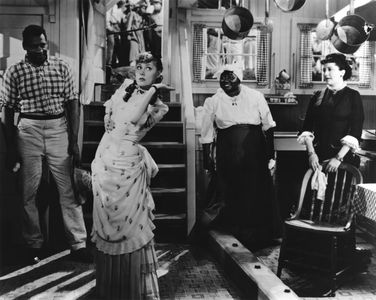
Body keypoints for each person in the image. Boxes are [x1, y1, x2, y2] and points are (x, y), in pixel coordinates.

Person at [0, 25, 92, 264]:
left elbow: (73, 103)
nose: (41, 49)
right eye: (34, 46)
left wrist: (73, 141)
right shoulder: (14, 72)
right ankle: (33, 243)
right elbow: (8, 109)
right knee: (27, 192)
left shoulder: (62, 67)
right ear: (25, 47)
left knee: (68, 189)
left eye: (43, 44)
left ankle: (78, 243)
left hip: (57, 128)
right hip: (28, 129)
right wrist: (11, 146)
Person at [91, 52, 172, 299]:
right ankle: (110, 288)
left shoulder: (158, 105)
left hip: (127, 164)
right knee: (107, 220)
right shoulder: (125, 87)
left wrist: (154, 89)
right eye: (140, 66)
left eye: (149, 68)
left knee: (129, 225)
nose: (142, 71)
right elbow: (111, 109)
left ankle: (131, 289)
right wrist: (106, 118)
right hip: (105, 160)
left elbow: (135, 116)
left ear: (158, 73)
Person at [199, 64, 281, 249]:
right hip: (227, 149)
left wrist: (270, 156)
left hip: (254, 148)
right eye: (223, 77)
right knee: (231, 189)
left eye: (231, 77)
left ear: (240, 78)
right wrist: (207, 160)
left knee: (254, 189)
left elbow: (268, 126)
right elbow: (206, 133)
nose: (226, 81)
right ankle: (233, 234)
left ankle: (256, 236)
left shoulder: (255, 96)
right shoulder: (213, 101)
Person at [298, 53, 364, 172]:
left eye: (330, 69)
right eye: (324, 70)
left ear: (342, 72)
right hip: (317, 159)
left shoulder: (353, 96)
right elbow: (306, 129)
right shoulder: (317, 96)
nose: (326, 73)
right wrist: (311, 154)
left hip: (342, 160)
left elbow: (356, 132)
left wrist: (338, 158)